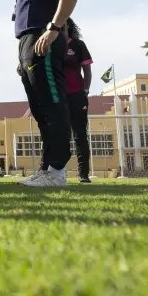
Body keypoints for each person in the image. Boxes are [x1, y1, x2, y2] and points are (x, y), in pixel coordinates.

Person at [4, 0, 81, 187]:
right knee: (40, 109)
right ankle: (47, 168)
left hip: (43, 37)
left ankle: (57, 171)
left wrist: (54, 28)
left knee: (52, 104)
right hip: (28, 42)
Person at [63, 18, 92, 183]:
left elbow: (87, 71)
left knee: (80, 135)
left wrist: (85, 91)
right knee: (60, 134)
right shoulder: (51, 44)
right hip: (58, 97)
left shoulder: (78, 45)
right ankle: (57, 172)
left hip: (77, 95)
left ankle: (84, 174)